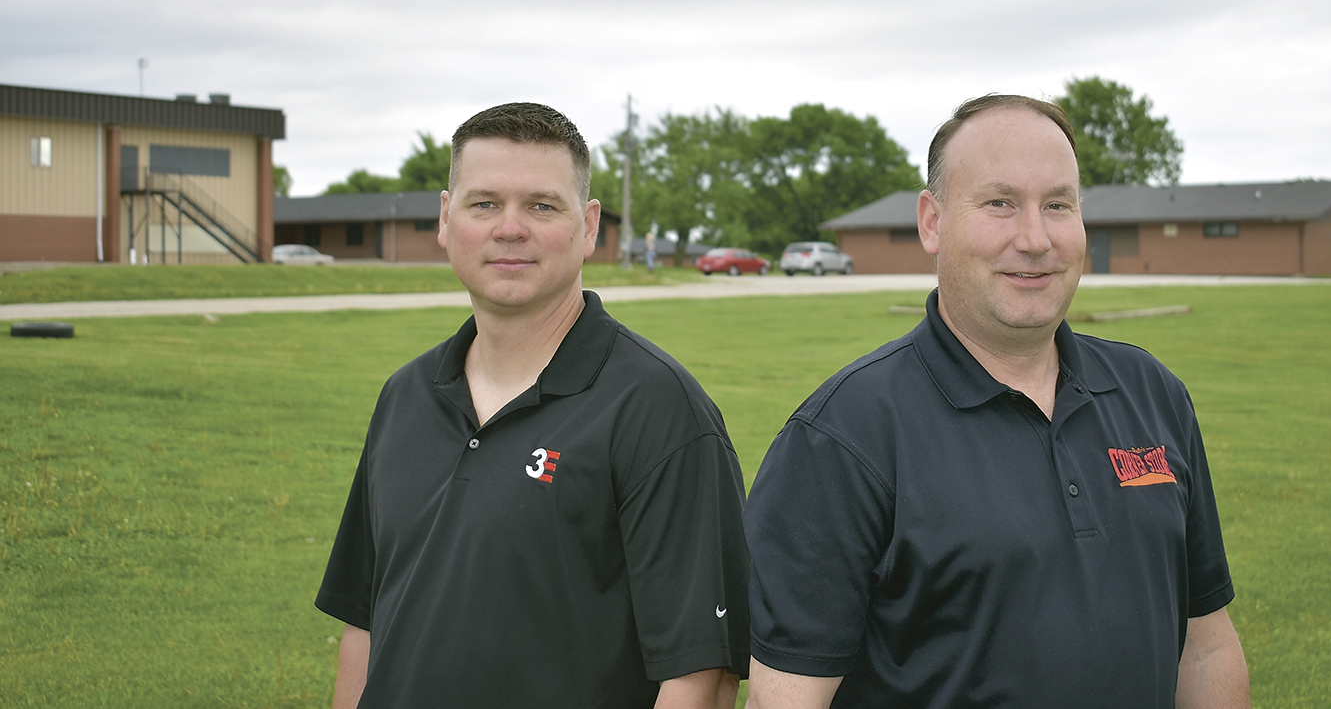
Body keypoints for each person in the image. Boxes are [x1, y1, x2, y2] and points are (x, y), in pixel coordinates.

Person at [743, 94, 1249, 708]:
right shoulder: (841, 438)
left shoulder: (1152, 393)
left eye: (1057, 204)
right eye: (1000, 204)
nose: (1035, 239)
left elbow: (1206, 645)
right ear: (932, 222)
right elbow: (786, 698)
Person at [317, 102, 749, 709]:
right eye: (484, 203)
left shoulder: (659, 410)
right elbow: (364, 624)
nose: (510, 228)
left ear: (589, 225)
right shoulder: (405, 395)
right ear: (446, 218)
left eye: (542, 206)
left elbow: (699, 677)